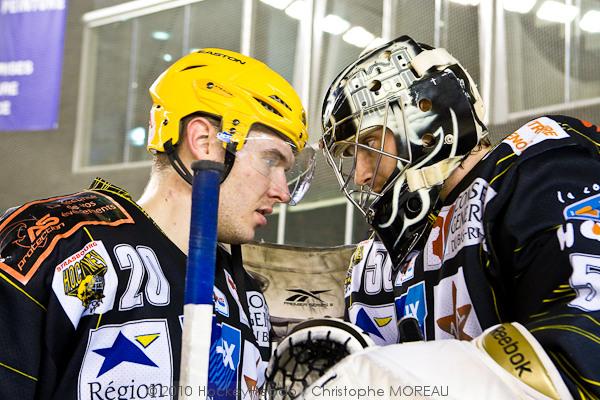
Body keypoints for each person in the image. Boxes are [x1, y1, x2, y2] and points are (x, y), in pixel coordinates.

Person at [0, 48, 314, 399]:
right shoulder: (54, 238)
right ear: (204, 141)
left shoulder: (246, 295)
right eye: (271, 160)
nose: (282, 192)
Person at [317, 35, 600, 398]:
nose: (360, 175)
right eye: (352, 156)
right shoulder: (377, 260)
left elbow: (584, 356)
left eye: (370, 145)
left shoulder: (537, 173)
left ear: (426, 118)